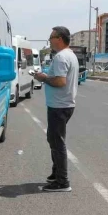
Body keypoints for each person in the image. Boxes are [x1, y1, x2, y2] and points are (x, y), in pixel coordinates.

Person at [34, 26, 79, 193]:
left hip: (59, 106)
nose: (49, 40)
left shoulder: (61, 57)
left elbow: (60, 82)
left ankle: (62, 181)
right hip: (63, 105)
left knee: (57, 142)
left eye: (51, 36)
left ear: (59, 38)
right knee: (53, 139)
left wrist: (43, 78)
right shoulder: (69, 55)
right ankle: (57, 172)